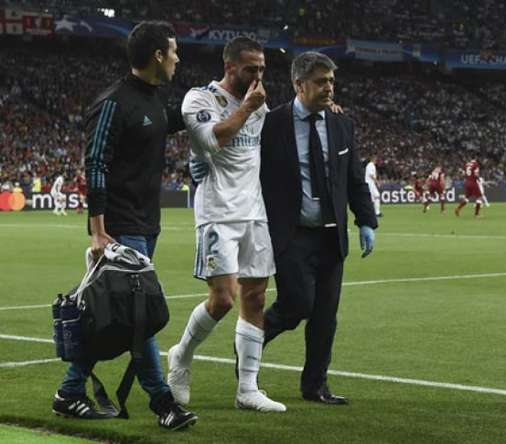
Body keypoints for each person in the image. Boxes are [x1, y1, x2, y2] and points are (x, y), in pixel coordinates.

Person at [53, 21, 197, 430]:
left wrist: (227, 95)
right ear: (156, 56)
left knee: (112, 315)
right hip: (118, 227)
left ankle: (69, 391)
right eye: (173, 52)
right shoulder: (114, 102)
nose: (177, 58)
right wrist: (98, 230)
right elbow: (95, 163)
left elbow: (175, 121)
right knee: (140, 315)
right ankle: (163, 403)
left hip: (146, 224)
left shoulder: (153, 101)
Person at [166, 37, 285, 413]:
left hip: (254, 212)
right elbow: (210, 142)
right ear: (230, 66)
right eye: (252, 68)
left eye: (263, 69)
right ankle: (181, 357)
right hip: (218, 213)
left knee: (256, 298)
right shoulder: (199, 99)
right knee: (222, 299)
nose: (259, 76)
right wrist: (247, 109)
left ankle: (247, 389)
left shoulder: (261, 104)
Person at [260, 51, 377, 405]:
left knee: (326, 316)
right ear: (299, 84)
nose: (330, 88)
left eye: (331, 81)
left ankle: (315, 386)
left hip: (331, 235)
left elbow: (354, 178)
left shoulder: (342, 123)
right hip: (291, 233)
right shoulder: (273, 123)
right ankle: (249, 344)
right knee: (297, 305)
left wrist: (366, 220)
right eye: (321, 81)